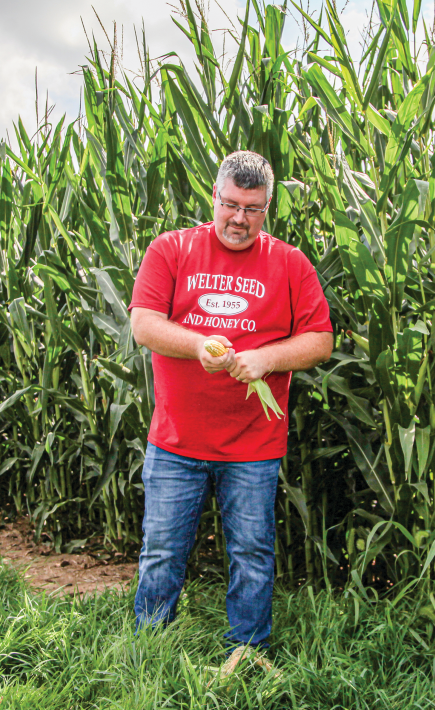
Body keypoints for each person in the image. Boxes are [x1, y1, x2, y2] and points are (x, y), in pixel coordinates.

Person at [128, 150, 333, 656]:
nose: (239, 218)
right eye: (231, 204)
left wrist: (266, 359)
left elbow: (320, 339)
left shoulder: (289, 263)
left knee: (253, 553)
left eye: (254, 209)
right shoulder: (172, 250)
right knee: (162, 553)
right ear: (214, 196)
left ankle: (247, 650)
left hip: (253, 447)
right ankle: (150, 649)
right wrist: (199, 345)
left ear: (268, 209)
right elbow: (143, 324)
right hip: (176, 440)